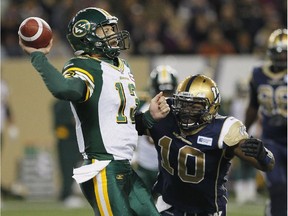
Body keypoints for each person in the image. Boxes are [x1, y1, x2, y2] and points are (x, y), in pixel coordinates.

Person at [19, 7, 170, 216]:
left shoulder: (123, 67)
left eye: (112, 29)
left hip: (124, 168)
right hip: (103, 169)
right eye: (105, 31)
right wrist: (38, 56)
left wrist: (149, 117)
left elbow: (125, 123)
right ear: (86, 35)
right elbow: (63, 88)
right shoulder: (84, 66)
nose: (113, 35)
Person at [138, 74, 275, 216]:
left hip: (207, 210)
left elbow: (268, 165)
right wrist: (145, 117)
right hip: (169, 206)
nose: (187, 111)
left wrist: (262, 155)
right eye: (183, 104)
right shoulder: (165, 116)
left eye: (195, 106)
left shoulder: (223, 130)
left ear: (211, 107)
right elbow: (128, 127)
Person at [245, 28, 287, 216]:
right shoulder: (258, 74)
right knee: (277, 184)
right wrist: (243, 131)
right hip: (271, 140)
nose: (282, 57)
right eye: (279, 52)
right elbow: (253, 106)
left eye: (285, 52)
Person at [133, 65, 178, 192]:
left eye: (168, 93)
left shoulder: (180, 112)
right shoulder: (144, 108)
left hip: (170, 168)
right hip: (144, 166)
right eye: (161, 92)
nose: (165, 98)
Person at [52, 100, 84, 208]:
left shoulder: (61, 103)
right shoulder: (63, 104)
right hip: (67, 141)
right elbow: (72, 120)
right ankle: (67, 194)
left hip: (71, 140)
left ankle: (68, 193)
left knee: (72, 167)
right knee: (67, 168)